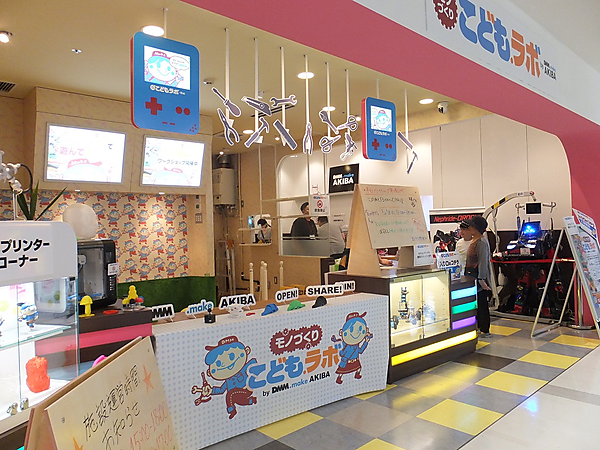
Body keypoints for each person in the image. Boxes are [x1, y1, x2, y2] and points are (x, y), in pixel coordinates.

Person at [461, 216, 492, 338]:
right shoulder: (474, 240)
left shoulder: (482, 242)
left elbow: (483, 262)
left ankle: (485, 329)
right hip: (471, 276)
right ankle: (478, 326)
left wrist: (482, 279)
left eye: (471, 226)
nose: (469, 228)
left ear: (476, 228)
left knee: (482, 303)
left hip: (478, 277)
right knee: (476, 303)